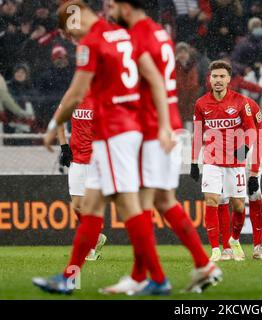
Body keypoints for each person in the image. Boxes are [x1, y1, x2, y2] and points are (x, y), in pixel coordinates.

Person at [32, 0, 174, 296]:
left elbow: (76, 92)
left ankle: (158, 278)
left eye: (69, 33)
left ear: (75, 18)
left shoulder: (92, 42)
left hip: (112, 132)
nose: (72, 41)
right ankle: (69, 277)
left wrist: (51, 128)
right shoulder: (123, 34)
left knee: (129, 208)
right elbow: (155, 80)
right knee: (91, 207)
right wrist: (162, 123)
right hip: (125, 130)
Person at [102, 0, 222, 295]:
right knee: (163, 201)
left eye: (112, 4)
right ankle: (197, 265)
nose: (108, 9)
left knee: (138, 204)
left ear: (125, 7)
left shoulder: (138, 36)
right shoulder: (159, 33)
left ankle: (152, 278)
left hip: (152, 126)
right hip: (167, 124)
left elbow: (152, 81)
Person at [190, 59, 257, 262]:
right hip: (212, 160)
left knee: (238, 206)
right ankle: (217, 249)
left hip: (235, 162)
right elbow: (198, 134)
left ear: (228, 79)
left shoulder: (240, 102)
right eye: (214, 76)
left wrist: (244, 148)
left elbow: (251, 130)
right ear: (209, 79)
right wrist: (194, 161)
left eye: (221, 76)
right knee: (212, 200)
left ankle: (234, 240)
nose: (218, 80)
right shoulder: (201, 103)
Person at [217, 97, 262, 261]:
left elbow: (258, 138)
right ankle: (227, 248)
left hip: (246, 153)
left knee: (255, 194)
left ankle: (257, 247)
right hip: (226, 152)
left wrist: (254, 172)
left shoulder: (253, 107)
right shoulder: (218, 107)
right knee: (223, 198)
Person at [57, 93, 107, 262]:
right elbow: (59, 120)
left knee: (91, 206)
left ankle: (91, 248)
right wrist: (64, 147)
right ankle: (97, 237)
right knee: (77, 206)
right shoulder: (72, 97)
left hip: (96, 161)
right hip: (77, 160)